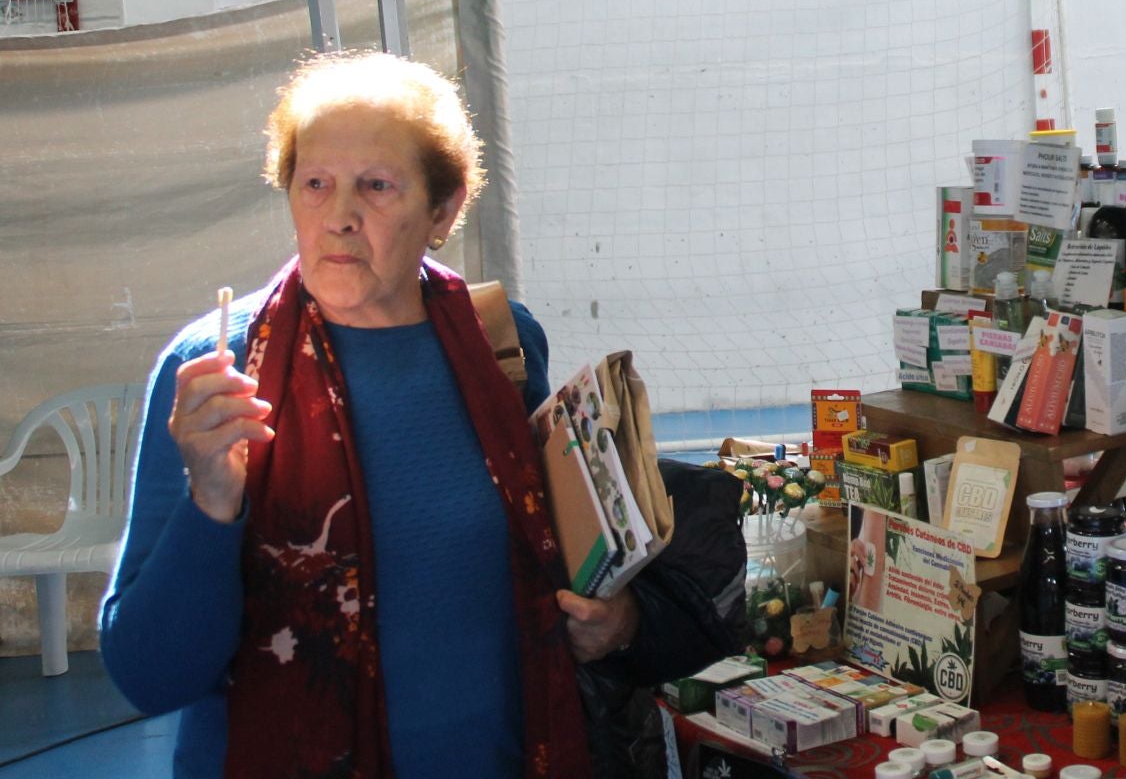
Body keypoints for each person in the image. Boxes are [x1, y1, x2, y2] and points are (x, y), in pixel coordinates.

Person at [102, 51, 730, 778]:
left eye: (376, 186)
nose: (338, 217)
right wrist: (211, 503)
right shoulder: (219, 369)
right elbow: (149, 677)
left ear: (443, 209)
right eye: (315, 184)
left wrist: (621, 624)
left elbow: (561, 558)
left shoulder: (499, 342)